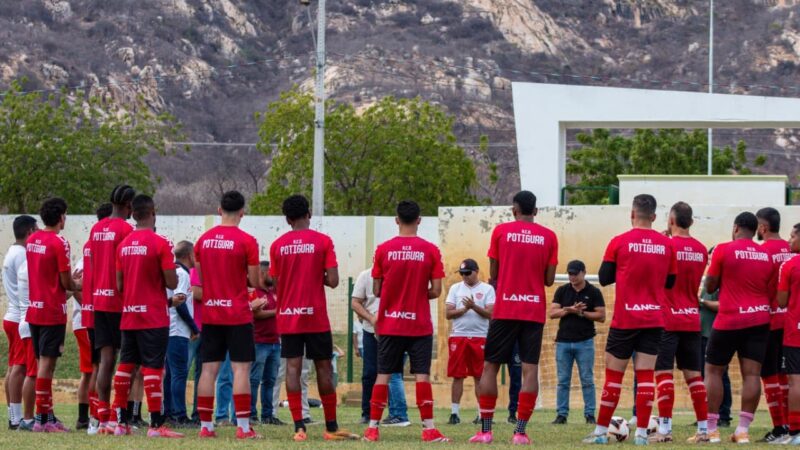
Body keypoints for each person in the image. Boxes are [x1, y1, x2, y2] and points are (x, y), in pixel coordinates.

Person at [583, 194, 677, 445]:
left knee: (614, 377)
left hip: (626, 319)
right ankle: (642, 435)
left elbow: (603, 277)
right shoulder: (667, 245)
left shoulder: (619, 242)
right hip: (654, 319)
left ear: (632, 214)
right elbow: (671, 282)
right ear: (654, 217)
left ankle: (601, 433)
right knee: (646, 376)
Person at [471, 190, 558, 445]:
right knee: (529, 370)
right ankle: (520, 432)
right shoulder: (549, 236)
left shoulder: (500, 232)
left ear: (514, 209)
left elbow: (493, 272)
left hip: (506, 309)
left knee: (490, 367)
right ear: (536, 211)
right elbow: (549, 280)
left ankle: (486, 431)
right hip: (533, 311)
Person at [269, 194, 357, 442]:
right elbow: (334, 280)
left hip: (288, 316)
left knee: (293, 369)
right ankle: (331, 427)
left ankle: (299, 428)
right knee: (324, 369)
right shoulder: (322, 241)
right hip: (315, 316)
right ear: (309, 214)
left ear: (287, 219)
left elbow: (276, 282)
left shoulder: (277, 245)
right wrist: (315, 276)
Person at [363, 200, 449, 443]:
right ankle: (429, 429)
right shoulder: (430, 250)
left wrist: (394, 294)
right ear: (419, 220)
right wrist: (416, 293)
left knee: (383, 375)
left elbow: (377, 290)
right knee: (422, 375)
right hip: (419, 324)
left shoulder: (383, 249)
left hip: (390, 323)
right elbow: (436, 290)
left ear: (396, 220)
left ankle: (372, 429)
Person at [193, 190, 263, 439]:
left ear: (219, 210)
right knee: (241, 370)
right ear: (242, 212)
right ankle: (243, 428)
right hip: (238, 314)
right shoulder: (247, 241)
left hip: (212, 313)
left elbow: (201, 277)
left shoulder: (202, 241)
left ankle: (205, 426)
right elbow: (255, 281)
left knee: (208, 371)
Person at [113, 194, 183, 438]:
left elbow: (119, 285)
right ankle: (155, 425)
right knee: (153, 367)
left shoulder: (123, 245)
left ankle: (120, 423)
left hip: (129, 314)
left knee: (126, 365)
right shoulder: (161, 243)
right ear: (153, 213)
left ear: (133, 214)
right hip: (154, 315)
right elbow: (172, 281)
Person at [704, 212, 774, 444]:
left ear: (735, 228)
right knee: (752, 375)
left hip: (729, 318)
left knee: (713, 371)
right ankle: (742, 430)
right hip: (759, 319)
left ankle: (712, 430)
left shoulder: (723, 249)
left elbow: (711, 285)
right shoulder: (767, 254)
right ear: (756, 231)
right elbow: (771, 288)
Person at [652, 202, 710, 443]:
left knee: (663, 374)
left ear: (671, 221)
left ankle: (664, 431)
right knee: (695, 377)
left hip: (668, 317)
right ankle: (704, 431)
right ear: (692, 222)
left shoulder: (666, 246)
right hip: (692, 318)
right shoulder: (701, 249)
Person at [26, 197, 76, 432]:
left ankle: (48, 415)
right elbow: (66, 281)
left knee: (42, 364)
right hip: (52, 312)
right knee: (47, 365)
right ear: (60, 217)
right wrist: (80, 283)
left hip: (34, 309)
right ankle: (41, 420)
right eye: (65, 215)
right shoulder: (60, 243)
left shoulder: (32, 240)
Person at [89, 185, 135, 434]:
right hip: (120, 302)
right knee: (127, 362)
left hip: (99, 300)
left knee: (106, 360)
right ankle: (121, 418)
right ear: (129, 205)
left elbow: (95, 263)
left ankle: (102, 417)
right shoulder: (127, 229)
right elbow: (128, 267)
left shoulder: (97, 228)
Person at [351, 267, 411, 427]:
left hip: (395, 331)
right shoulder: (365, 275)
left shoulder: (399, 273)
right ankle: (368, 414)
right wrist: (371, 319)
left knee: (394, 373)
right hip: (370, 331)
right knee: (370, 374)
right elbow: (355, 302)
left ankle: (398, 414)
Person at [72, 203, 112, 432]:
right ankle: (96, 417)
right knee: (97, 367)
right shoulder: (100, 246)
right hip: (92, 317)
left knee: (91, 370)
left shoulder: (89, 245)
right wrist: (89, 305)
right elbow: (77, 285)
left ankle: (85, 419)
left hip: (88, 316)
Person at [550, 259, 605, 426]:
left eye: (575, 273)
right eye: (569, 273)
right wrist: (568, 310)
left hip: (585, 342)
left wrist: (582, 313)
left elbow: (601, 316)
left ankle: (589, 415)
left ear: (583, 273)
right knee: (563, 381)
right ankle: (561, 415)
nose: (572, 276)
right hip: (563, 342)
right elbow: (552, 313)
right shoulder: (562, 290)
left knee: (587, 380)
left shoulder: (594, 291)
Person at [756, 207, 794, 443]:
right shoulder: (791, 251)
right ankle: (791, 425)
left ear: (762, 227)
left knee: (769, 375)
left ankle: (780, 426)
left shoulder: (762, 253)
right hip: (791, 321)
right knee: (788, 376)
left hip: (769, 321)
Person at [445, 258, 495, 425]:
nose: (465, 276)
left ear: (477, 271)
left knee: (479, 376)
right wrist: (465, 309)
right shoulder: (455, 288)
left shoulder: (487, 289)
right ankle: (454, 413)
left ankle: (481, 414)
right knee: (457, 375)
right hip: (458, 335)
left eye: (468, 273)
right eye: (462, 274)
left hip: (480, 336)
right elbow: (448, 313)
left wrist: (473, 307)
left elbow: (491, 314)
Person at [3, 215, 37, 430]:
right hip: (19, 317)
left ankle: (12, 415)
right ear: (28, 233)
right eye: (36, 230)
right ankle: (17, 418)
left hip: (11, 316)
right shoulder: (23, 256)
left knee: (13, 368)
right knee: (20, 368)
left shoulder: (11, 252)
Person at [163, 240, 199, 427]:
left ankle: (168, 412)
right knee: (179, 373)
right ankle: (180, 415)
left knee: (170, 374)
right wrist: (193, 327)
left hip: (172, 329)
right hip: (177, 330)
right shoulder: (182, 274)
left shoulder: (175, 271)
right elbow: (180, 303)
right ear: (189, 255)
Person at [775, 222, 800, 444]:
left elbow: (781, 300)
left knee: (795, 382)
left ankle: (795, 432)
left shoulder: (789, 265)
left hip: (795, 331)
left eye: (792, 237)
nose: (789, 240)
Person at [249, 261, 282, 424]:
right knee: (254, 379)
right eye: (272, 272)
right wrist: (276, 312)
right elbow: (256, 314)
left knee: (270, 380)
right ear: (262, 273)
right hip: (259, 341)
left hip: (275, 342)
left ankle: (268, 415)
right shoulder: (254, 291)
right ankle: (251, 414)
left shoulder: (274, 291)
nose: (274, 276)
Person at [699, 277, 732, 428]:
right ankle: (707, 414)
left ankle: (723, 415)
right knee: (705, 376)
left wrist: (701, 302)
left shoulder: (722, 284)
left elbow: (722, 306)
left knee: (720, 375)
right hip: (702, 334)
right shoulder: (706, 281)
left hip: (716, 334)